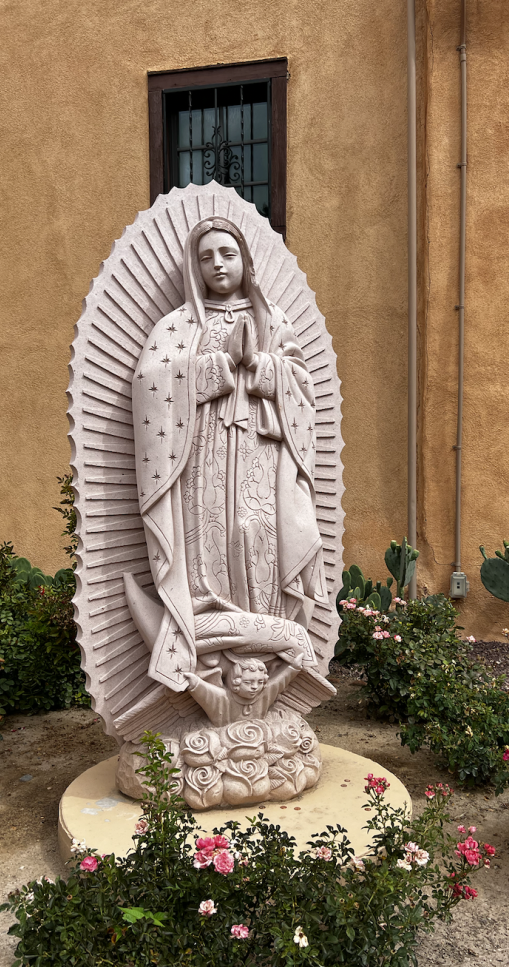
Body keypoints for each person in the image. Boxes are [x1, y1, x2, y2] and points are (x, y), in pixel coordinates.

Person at [130, 216, 328, 691]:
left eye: (228, 254)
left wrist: (259, 364)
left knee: (256, 530)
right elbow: (149, 385)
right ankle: (208, 621)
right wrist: (219, 366)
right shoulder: (179, 326)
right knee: (210, 536)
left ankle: (266, 625)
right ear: (194, 268)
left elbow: (303, 387)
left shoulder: (272, 321)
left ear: (246, 261)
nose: (217, 264)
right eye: (206, 257)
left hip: (262, 453)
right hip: (203, 455)